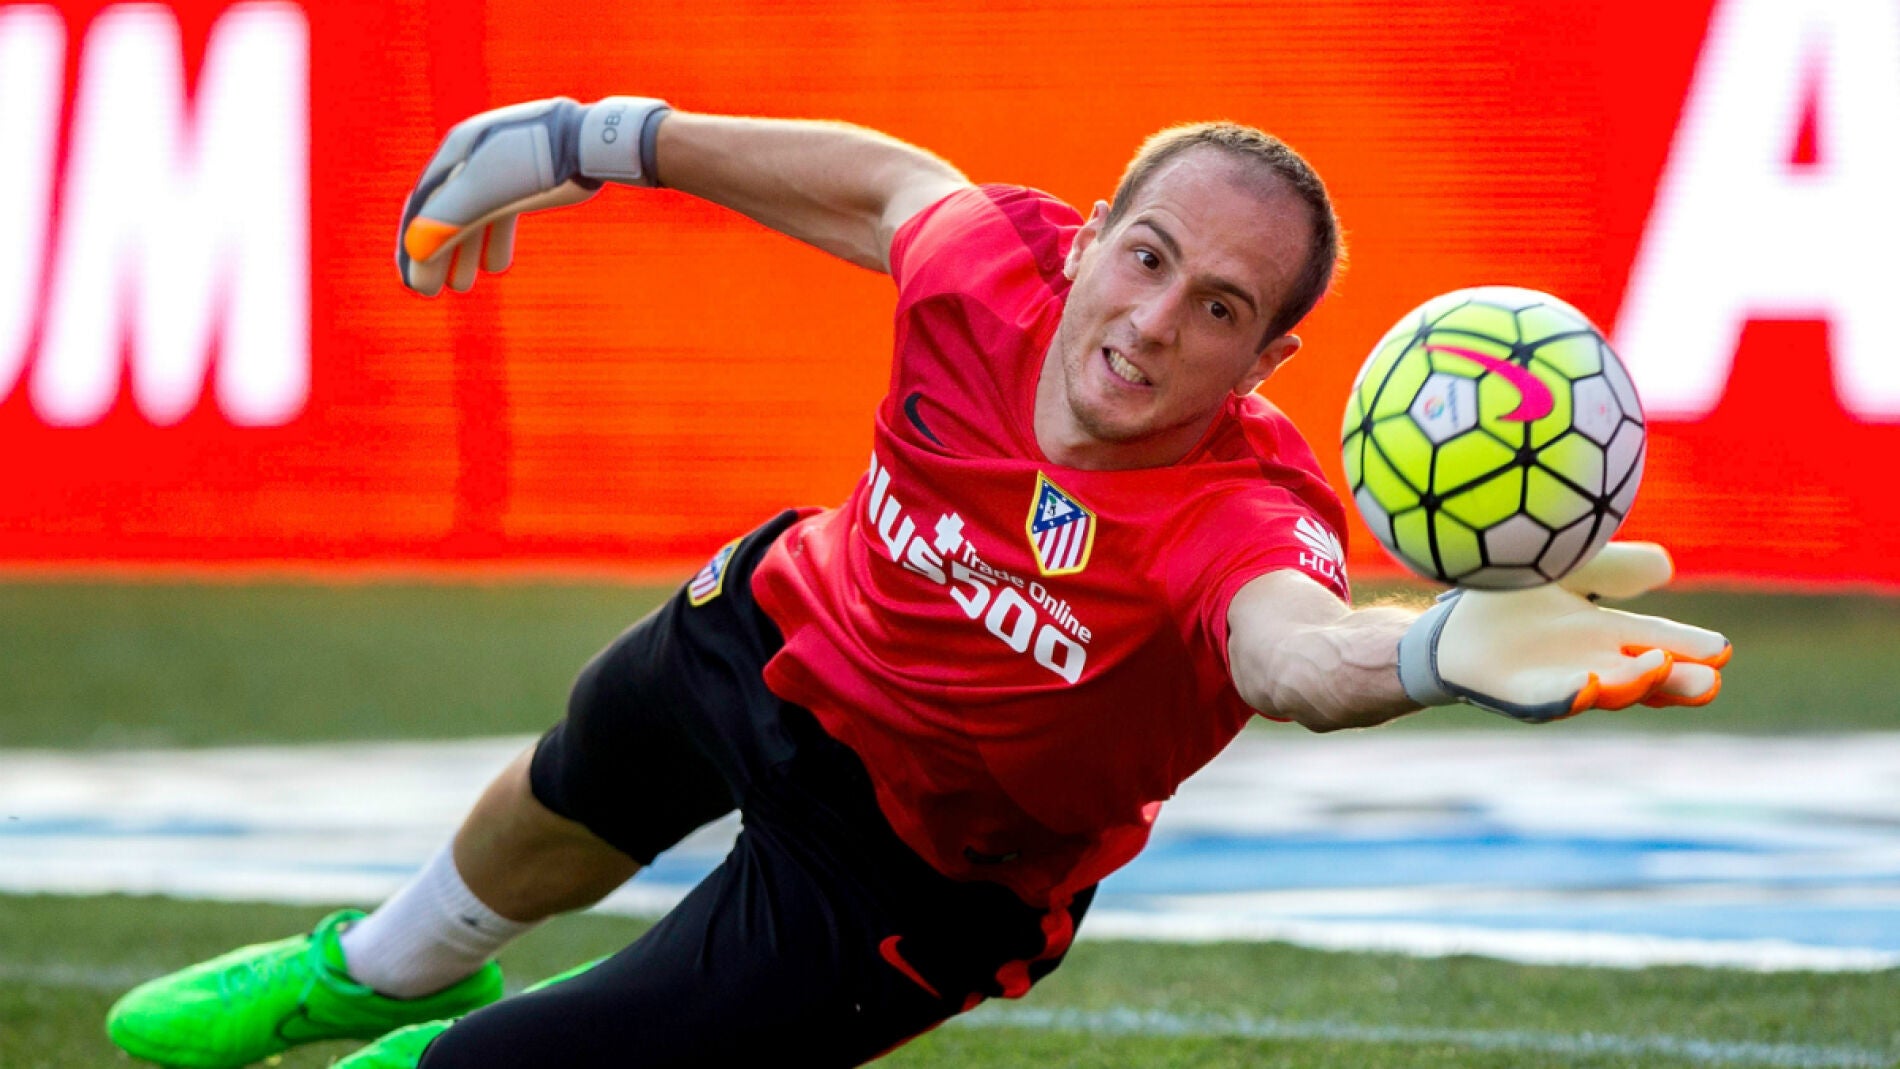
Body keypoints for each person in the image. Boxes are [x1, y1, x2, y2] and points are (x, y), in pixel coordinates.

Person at [105, 97, 1731, 1069]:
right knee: (573, 775)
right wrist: (597, 138)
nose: (1155, 322)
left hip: (914, 873)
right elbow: (886, 186)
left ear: (1266, 363)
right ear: (1091, 234)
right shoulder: (994, 266)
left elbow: (1296, 652)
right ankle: (377, 962)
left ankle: (454, 1042)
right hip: (792, 630)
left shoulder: (1243, 513)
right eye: (1150, 256)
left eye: (1222, 309)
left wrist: (1432, 650)